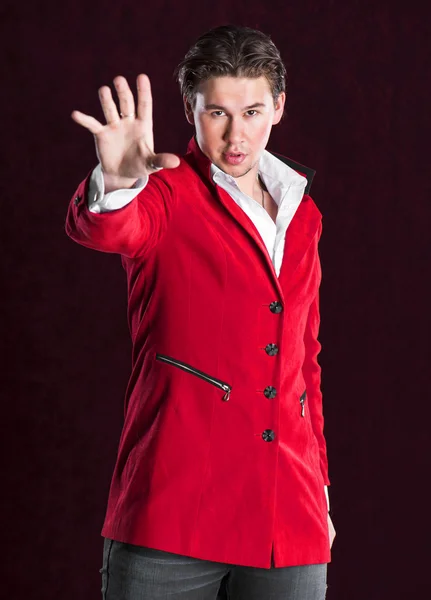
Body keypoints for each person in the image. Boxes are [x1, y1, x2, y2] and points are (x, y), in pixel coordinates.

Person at [66, 24, 335, 600]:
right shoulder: (163, 191)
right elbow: (113, 227)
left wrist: (322, 493)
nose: (237, 135)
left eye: (253, 111)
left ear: (280, 108)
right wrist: (118, 181)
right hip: (173, 516)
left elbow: (302, 365)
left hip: (289, 521)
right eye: (216, 113)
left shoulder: (303, 212)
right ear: (190, 109)